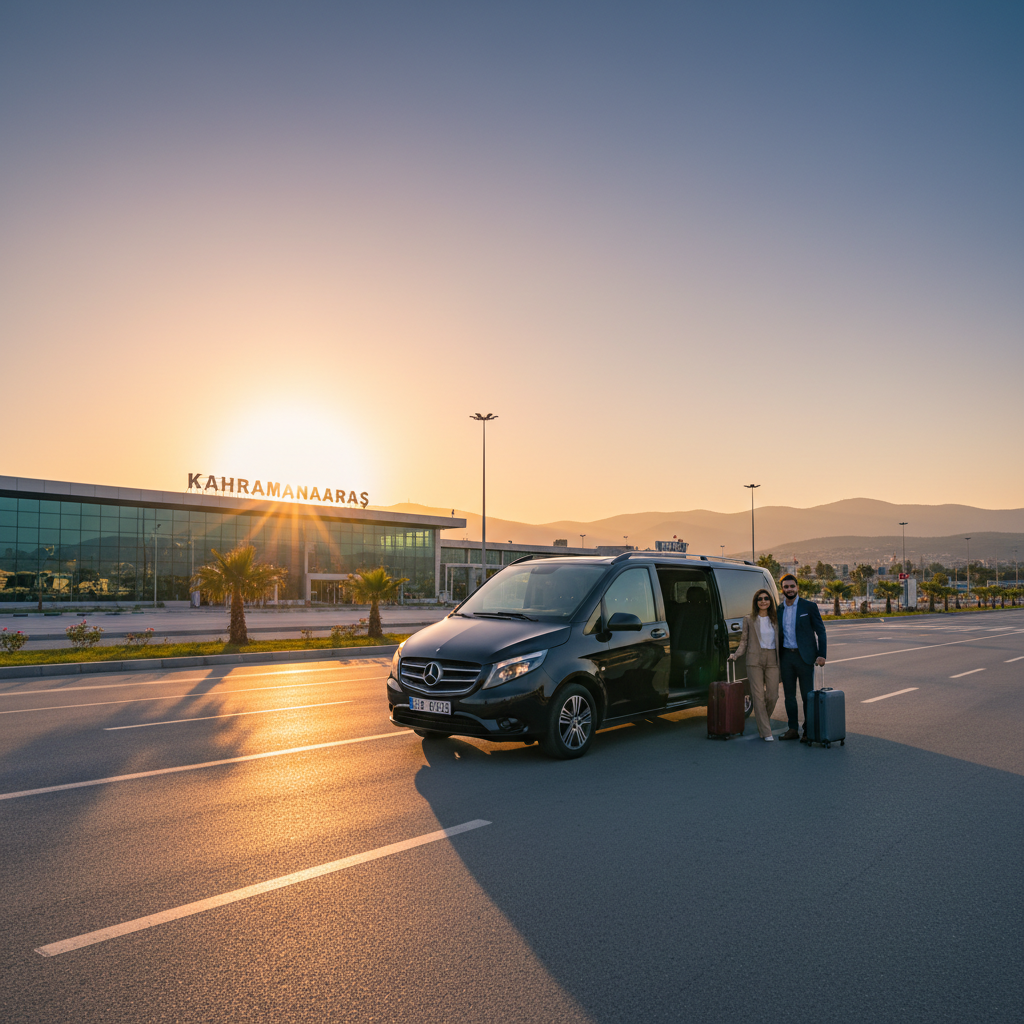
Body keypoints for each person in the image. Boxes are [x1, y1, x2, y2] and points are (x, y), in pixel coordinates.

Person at [776, 573, 827, 741]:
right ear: (782, 589)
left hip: (804, 657)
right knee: (789, 696)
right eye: (786, 587)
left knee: (807, 696)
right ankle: (792, 728)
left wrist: (822, 654)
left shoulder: (809, 607)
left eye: (792, 586)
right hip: (786, 658)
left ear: (797, 587)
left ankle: (807, 730)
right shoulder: (779, 609)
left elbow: (821, 631)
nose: (789, 589)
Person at [729, 588, 780, 741]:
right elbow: (744, 641)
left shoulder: (776, 619)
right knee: (757, 696)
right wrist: (736, 654)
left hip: (772, 658)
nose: (763, 601)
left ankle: (762, 721)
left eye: (766, 598)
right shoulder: (749, 619)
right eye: (760, 599)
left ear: (770, 601)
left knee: (773, 695)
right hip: (754, 659)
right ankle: (766, 731)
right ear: (756, 602)